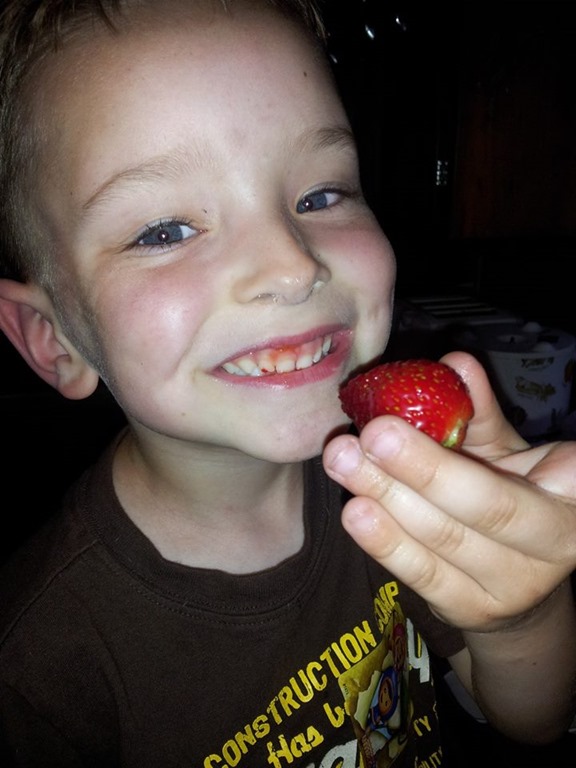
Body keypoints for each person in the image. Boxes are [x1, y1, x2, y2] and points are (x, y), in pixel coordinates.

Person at [0, 1, 574, 765]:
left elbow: (530, 721)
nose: (292, 265)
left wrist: (518, 616)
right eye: (165, 230)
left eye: (321, 194)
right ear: (53, 340)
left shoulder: (396, 480)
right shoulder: (36, 666)